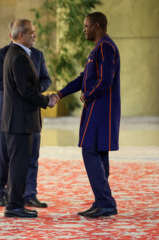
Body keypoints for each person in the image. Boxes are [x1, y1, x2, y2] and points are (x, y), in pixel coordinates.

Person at [54, 12, 120, 218]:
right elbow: (84, 78)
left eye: (86, 26)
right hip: (96, 106)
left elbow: (105, 79)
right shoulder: (98, 48)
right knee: (98, 153)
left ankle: (106, 202)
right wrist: (61, 93)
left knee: (90, 151)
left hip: (101, 107)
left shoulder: (106, 47)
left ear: (97, 26)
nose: (84, 29)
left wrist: (88, 95)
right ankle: (102, 201)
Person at [0, 21, 51, 208]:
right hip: (7, 113)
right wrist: (28, 92)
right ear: (16, 35)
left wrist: (34, 89)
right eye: (31, 32)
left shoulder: (37, 55)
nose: (34, 35)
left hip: (30, 113)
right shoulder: (3, 55)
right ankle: (1, 192)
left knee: (31, 155)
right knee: (4, 155)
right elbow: (0, 82)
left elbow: (45, 79)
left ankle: (29, 193)